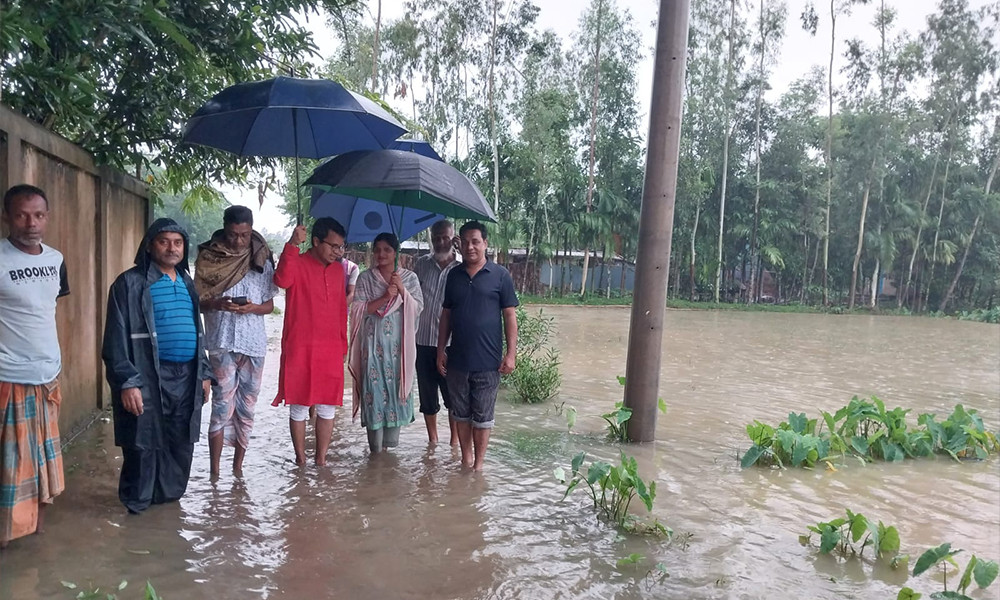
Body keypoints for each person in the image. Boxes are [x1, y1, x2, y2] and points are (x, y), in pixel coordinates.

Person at [102, 218, 213, 514]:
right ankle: (137, 508)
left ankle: (167, 508)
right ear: (150, 245)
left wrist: (203, 372)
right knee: (143, 439)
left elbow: (198, 331)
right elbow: (114, 339)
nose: (171, 248)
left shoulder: (187, 281)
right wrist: (128, 382)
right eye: (164, 241)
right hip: (147, 373)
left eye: (177, 243)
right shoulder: (129, 283)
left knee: (180, 439)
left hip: (187, 375)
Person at [0, 185, 68, 548]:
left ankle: (35, 537)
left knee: (42, 460)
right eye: (22, 215)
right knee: (11, 464)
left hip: (47, 377)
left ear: (47, 216)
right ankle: (7, 541)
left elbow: (46, 311)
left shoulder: (56, 259)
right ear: (7, 217)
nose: (31, 223)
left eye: (38, 215)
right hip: (8, 378)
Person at [195, 205, 278, 478]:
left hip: (254, 345)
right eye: (233, 235)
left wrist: (252, 308)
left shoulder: (262, 259)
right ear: (224, 228)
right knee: (220, 405)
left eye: (244, 235)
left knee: (248, 408)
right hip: (220, 343)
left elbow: (269, 305)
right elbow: (197, 302)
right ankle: (215, 473)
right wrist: (218, 303)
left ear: (251, 229)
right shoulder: (209, 258)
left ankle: (238, 470)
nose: (239, 241)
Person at [437, 221, 518, 471]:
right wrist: (440, 350)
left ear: (485, 244)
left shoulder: (500, 275)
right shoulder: (453, 275)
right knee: (460, 414)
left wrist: (511, 354)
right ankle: (466, 460)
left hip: (488, 361)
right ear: (459, 245)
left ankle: (479, 466)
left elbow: (509, 316)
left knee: (483, 417)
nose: (470, 247)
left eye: (476, 241)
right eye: (466, 242)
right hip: (458, 360)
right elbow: (446, 316)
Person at [271, 218, 348, 466]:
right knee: (299, 405)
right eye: (333, 246)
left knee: (327, 406)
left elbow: (340, 310)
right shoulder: (298, 262)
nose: (337, 252)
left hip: (331, 347)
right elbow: (281, 280)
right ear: (315, 241)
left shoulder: (339, 270)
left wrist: (343, 344)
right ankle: (301, 460)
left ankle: (321, 460)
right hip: (300, 346)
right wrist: (293, 244)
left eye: (340, 247)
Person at [348, 233, 423, 454]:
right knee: (374, 394)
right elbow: (358, 311)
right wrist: (385, 296)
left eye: (387, 250)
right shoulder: (365, 278)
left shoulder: (409, 278)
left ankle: (387, 454)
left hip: (399, 349)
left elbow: (418, 308)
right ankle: (375, 454)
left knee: (394, 394)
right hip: (372, 348)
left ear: (396, 253)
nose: (381, 254)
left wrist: (401, 291)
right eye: (377, 249)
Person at [413, 220, 461, 445]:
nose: (440, 242)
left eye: (445, 237)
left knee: (453, 397)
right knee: (427, 395)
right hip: (422, 341)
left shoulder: (462, 268)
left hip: (452, 344)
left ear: (453, 238)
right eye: (436, 238)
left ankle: (453, 442)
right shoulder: (421, 265)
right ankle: (432, 441)